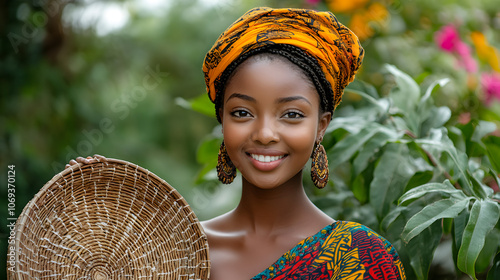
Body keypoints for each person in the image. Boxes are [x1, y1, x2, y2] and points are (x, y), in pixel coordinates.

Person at [69, 7, 406, 280]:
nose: (264, 133)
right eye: (242, 112)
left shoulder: (363, 258)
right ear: (223, 121)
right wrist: (87, 233)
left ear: (321, 126)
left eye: (291, 114)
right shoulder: (172, 255)